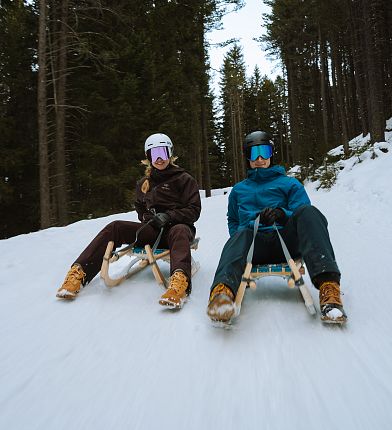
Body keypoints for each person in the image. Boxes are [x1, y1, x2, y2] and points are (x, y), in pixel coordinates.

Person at [206, 130, 347, 324]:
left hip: (286, 242)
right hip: (254, 246)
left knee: (309, 212)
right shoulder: (239, 190)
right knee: (239, 234)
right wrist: (250, 227)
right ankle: (222, 294)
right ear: (247, 157)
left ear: (272, 153)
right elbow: (233, 221)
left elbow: (301, 214)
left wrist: (283, 214)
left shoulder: (290, 184)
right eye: (253, 153)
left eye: (264, 151)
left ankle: (329, 289)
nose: (260, 158)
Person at [57, 133, 201, 309]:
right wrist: (148, 218)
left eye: (162, 153)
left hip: (178, 230)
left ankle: (179, 283)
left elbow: (194, 210)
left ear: (170, 154)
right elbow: (140, 207)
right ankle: (79, 272)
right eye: (153, 154)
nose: (159, 159)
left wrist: (169, 217)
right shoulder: (144, 183)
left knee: (179, 230)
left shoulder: (184, 179)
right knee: (115, 227)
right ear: (148, 157)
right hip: (153, 230)